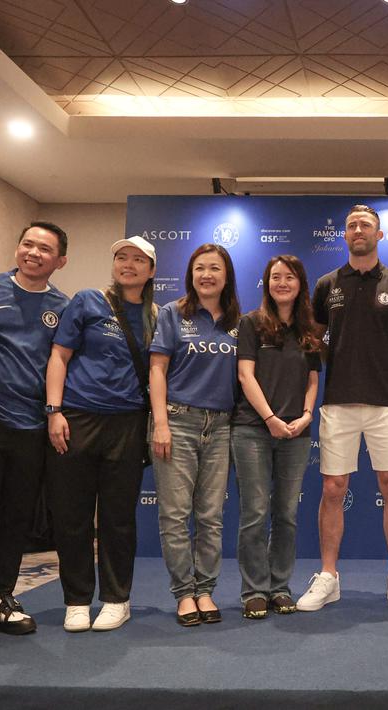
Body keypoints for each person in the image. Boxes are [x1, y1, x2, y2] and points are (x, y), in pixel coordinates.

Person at [298, 204, 388, 612]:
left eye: (365, 225)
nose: (357, 230)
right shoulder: (326, 284)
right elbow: (315, 337)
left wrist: (381, 365)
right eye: (351, 225)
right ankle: (329, 576)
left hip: (387, 402)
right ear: (345, 236)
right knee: (334, 489)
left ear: (379, 234)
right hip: (338, 402)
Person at [0, 222, 69, 647]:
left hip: (33, 426)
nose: (34, 253)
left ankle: (3, 594)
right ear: (18, 247)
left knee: (18, 517)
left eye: (45, 249)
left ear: (60, 261)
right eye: (28, 244)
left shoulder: (63, 305)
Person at [45, 235, 157, 633]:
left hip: (127, 423)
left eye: (138, 260)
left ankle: (116, 599)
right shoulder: (88, 300)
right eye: (122, 257)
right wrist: (54, 410)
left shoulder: (156, 316)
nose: (129, 264)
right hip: (77, 417)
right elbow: (59, 356)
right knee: (73, 515)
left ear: (151, 270)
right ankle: (76, 600)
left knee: (118, 518)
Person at [148, 244, 239, 626]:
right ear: (191, 274)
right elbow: (156, 370)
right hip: (178, 422)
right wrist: (161, 424)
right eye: (200, 268)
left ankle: (206, 590)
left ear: (226, 275)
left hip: (221, 426)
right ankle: (184, 594)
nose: (207, 275)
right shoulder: (173, 313)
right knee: (174, 515)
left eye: (214, 268)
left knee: (211, 517)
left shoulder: (239, 320)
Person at [233, 255, 322, 618]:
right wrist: (269, 417)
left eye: (289, 277)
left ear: (300, 283)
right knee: (255, 512)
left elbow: (313, 379)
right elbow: (245, 376)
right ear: (266, 283)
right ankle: (254, 589)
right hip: (253, 429)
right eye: (275, 277)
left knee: (286, 513)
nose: (281, 282)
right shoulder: (251, 323)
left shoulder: (310, 330)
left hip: (296, 433)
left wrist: (305, 415)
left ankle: (280, 587)